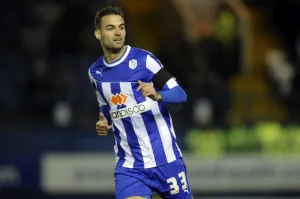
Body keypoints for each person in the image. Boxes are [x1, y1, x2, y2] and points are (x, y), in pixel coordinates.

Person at [88, 5, 193, 199]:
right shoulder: (95, 73)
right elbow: (105, 106)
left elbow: (180, 94)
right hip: (130, 167)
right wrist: (104, 122)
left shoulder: (145, 60)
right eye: (110, 28)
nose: (118, 32)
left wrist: (160, 95)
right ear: (98, 34)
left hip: (166, 161)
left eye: (121, 27)